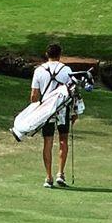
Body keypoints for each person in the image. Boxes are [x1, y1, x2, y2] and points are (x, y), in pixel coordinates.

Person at [30, 42, 76, 189]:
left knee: (47, 142)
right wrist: (75, 111)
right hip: (62, 108)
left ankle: (48, 176)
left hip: (47, 110)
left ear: (46, 54)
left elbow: (34, 96)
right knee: (63, 140)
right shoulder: (66, 69)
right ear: (60, 55)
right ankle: (60, 173)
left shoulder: (39, 71)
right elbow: (73, 91)